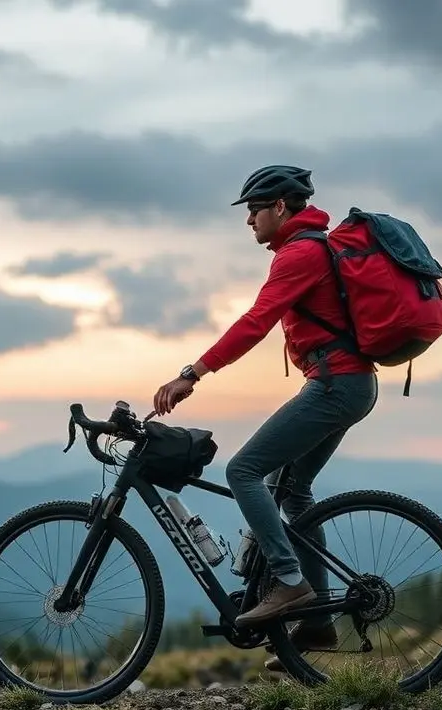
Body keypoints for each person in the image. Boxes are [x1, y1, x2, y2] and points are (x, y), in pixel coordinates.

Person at [152, 165, 378, 671]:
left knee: (243, 471)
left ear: (280, 207)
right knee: (293, 491)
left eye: (253, 209)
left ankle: (291, 584)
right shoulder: (312, 249)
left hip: (335, 384)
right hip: (348, 383)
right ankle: (318, 623)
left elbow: (255, 322)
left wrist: (193, 372)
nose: (248, 219)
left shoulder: (301, 253)